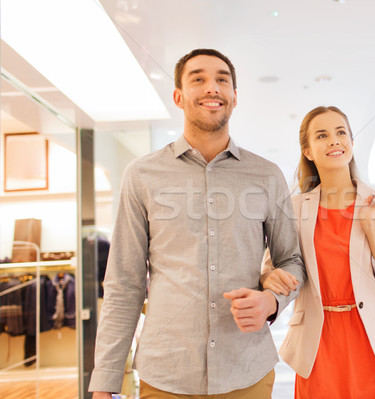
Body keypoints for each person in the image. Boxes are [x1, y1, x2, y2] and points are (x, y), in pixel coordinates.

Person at [89, 49, 305, 398]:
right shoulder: (142, 175)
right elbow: (124, 284)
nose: (212, 88)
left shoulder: (266, 175)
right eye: (198, 79)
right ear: (178, 96)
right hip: (166, 376)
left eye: (222, 79)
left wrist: (271, 303)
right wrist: (106, 381)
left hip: (247, 371)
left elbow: (292, 261)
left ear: (235, 96)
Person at [261, 106, 375, 398]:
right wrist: (268, 279)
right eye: (322, 135)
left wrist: (371, 226)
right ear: (308, 151)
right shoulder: (293, 210)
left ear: (351, 143)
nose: (334, 140)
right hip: (318, 348)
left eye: (341, 132)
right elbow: (273, 271)